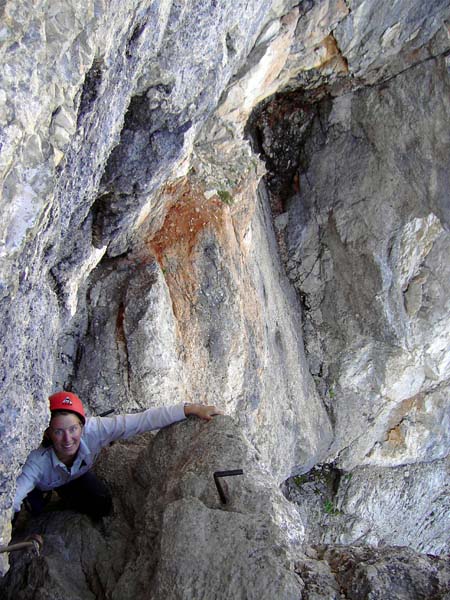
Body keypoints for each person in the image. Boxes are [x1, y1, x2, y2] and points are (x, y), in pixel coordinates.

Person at [13, 391, 223, 519]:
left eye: (73, 429)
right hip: (42, 485)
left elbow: (141, 421)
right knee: (35, 513)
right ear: (48, 433)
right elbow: (12, 496)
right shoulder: (36, 462)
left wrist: (191, 409)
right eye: (59, 431)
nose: (68, 439)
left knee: (102, 504)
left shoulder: (95, 430)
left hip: (75, 478)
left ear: (82, 426)